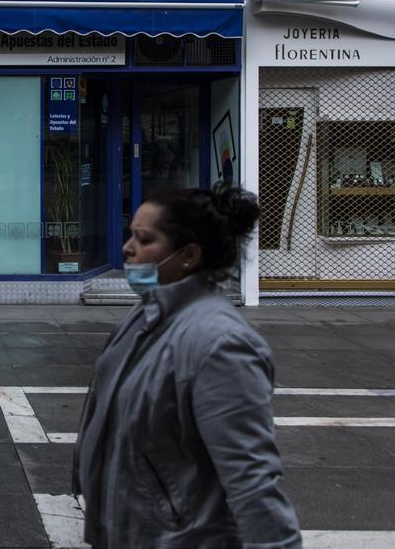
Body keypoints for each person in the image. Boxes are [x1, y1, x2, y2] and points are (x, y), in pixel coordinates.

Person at [74, 185, 301, 548]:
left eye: (144, 239)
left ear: (188, 255)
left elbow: (252, 482)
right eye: (130, 234)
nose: (127, 249)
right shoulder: (145, 316)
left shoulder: (221, 344)